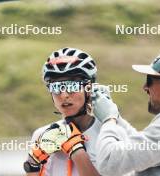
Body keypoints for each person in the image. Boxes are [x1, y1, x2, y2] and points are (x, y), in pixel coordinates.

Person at [23, 47, 103, 176]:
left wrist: (76, 149)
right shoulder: (42, 135)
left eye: (72, 86)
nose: (64, 94)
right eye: (56, 87)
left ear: (89, 87)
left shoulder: (108, 135)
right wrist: (33, 164)